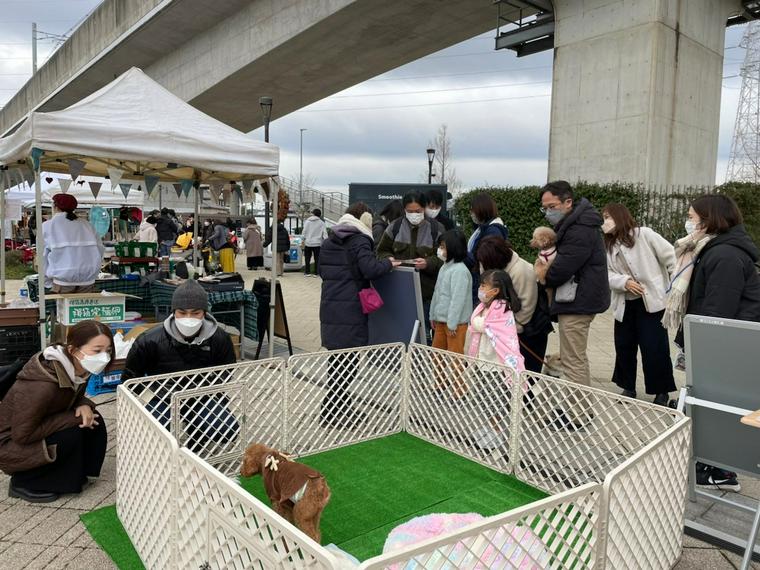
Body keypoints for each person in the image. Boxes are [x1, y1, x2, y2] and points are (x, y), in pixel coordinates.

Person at [663, 195, 760, 492]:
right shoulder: (715, 249)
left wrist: (700, 348)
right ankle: (710, 462)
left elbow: (719, 310)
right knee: (714, 404)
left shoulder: (726, 255)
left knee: (720, 404)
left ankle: (722, 471)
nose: (689, 221)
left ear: (709, 219)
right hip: (725, 344)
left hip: (727, 347)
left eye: (692, 215)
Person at [0, 320, 111, 502]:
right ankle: (23, 482)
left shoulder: (77, 369)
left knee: (92, 420)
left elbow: (67, 398)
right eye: (97, 350)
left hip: (33, 429)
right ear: (74, 350)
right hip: (9, 444)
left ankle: (77, 473)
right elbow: (22, 435)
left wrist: (83, 403)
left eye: (108, 351)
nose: (104, 357)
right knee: (72, 432)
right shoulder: (43, 385)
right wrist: (72, 418)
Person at [121, 280, 238, 450]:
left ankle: (197, 435)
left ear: (204, 313)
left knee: (226, 428)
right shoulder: (149, 340)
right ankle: (160, 446)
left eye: (195, 313)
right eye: (182, 313)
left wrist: (213, 396)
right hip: (161, 397)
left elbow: (226, 372)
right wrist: (146, 400)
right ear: (173, 312)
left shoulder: (220, 338)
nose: (188, 318)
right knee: (155, 427)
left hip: (201, 397)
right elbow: (130, 379)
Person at [319, 202, 400, 428]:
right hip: (350, 308)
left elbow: (321, 271)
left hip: (330, 306)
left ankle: (336, 407)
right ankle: (334, 412)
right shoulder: (360, 240)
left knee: (338, 362)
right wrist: (388, 263)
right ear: (364, 218)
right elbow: (370, 269)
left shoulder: (329, 240)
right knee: (347, 364)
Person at [534, 181, 610, 387]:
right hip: (577, 298)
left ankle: (577, 416)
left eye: (552, 207)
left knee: (572, 360)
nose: (548, 212)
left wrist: (543, 277)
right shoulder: (576, 224)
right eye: (545, 208)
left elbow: (563, 268)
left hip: (578, 301)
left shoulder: (579, 229)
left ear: (568, 202)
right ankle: (576, 411)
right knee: (574, 357)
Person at [602, 203, 676, 405]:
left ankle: (661, 391)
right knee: (624, 346)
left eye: (608, 217)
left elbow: (672, 257)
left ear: (620, 216)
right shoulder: (609, 245)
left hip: (651, 302)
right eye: (604, 217)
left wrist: (672, 287)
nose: (605, 222)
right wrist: (624, 282)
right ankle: (628, 387)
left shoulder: (645, 235)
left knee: (655, 347)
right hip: (624, 304)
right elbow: (606, 274)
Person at [477, 236, 552, 373]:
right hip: (504, 330)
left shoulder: (521, 271)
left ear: (495, 259)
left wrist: (506, 328)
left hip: (527, 332)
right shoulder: (494, 267)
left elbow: (526, 309)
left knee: (523, 374)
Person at [377, 191, 445, 343]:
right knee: (401, 332)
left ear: (424, 208)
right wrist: (388, 259)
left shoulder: (436, 229)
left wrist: (428, 263)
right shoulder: (394, 227)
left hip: (427, 293)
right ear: (404, 210)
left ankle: (423, 363)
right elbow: (381, 251)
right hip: (400, 291)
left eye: (418, 211)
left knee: (426, 334)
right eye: (410, 211)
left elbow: (444, 259)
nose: (414, 214)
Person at [42, 193, 104, 294]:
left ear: (55, 206)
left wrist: (46, 281)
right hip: (87, 280)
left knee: (63, 309)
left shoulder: (47, 226)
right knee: (82, 309)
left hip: (62, 280)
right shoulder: (87, 225)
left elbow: (42, 257)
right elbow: (100, 250)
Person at [467, 270, 525, 373]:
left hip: (495, 363)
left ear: (495, 291)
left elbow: (485, 325)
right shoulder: (484, 306)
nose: (480, 288)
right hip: (482, 357)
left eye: (483, 286)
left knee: (492, 388)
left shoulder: (501, 307)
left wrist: (474, 320)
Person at [429, 230, 472, 353]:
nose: (439, 250)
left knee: (455, 361)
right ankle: (437, 373)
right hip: (441, 321)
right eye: (440, 246)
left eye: (443, 247)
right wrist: (433, 315)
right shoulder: (445, 267)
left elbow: (457, 300)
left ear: (454, 248)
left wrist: (452, 323)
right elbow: (437, 293)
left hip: (456, 324)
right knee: (437, 358)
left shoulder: (460, 271)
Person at [466, 193, 509, 305]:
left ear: (481, 210)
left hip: (484, 279)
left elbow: (487, 258)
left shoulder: (493, 231)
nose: (471, 214)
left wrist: (462, 254)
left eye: (473, 211)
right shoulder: (482, 228)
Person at [301, 209, 327, 277]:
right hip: (317, 243)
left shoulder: (307, 221)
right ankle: (316, 273)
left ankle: (307, 272)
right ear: (319, 215)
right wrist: (325, 241)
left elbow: (304, 231)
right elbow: (325, 234)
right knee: (317, 259)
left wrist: (302, 239)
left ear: (313, 214)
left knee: (307, 258)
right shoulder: (322, 223)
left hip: (308, 243)